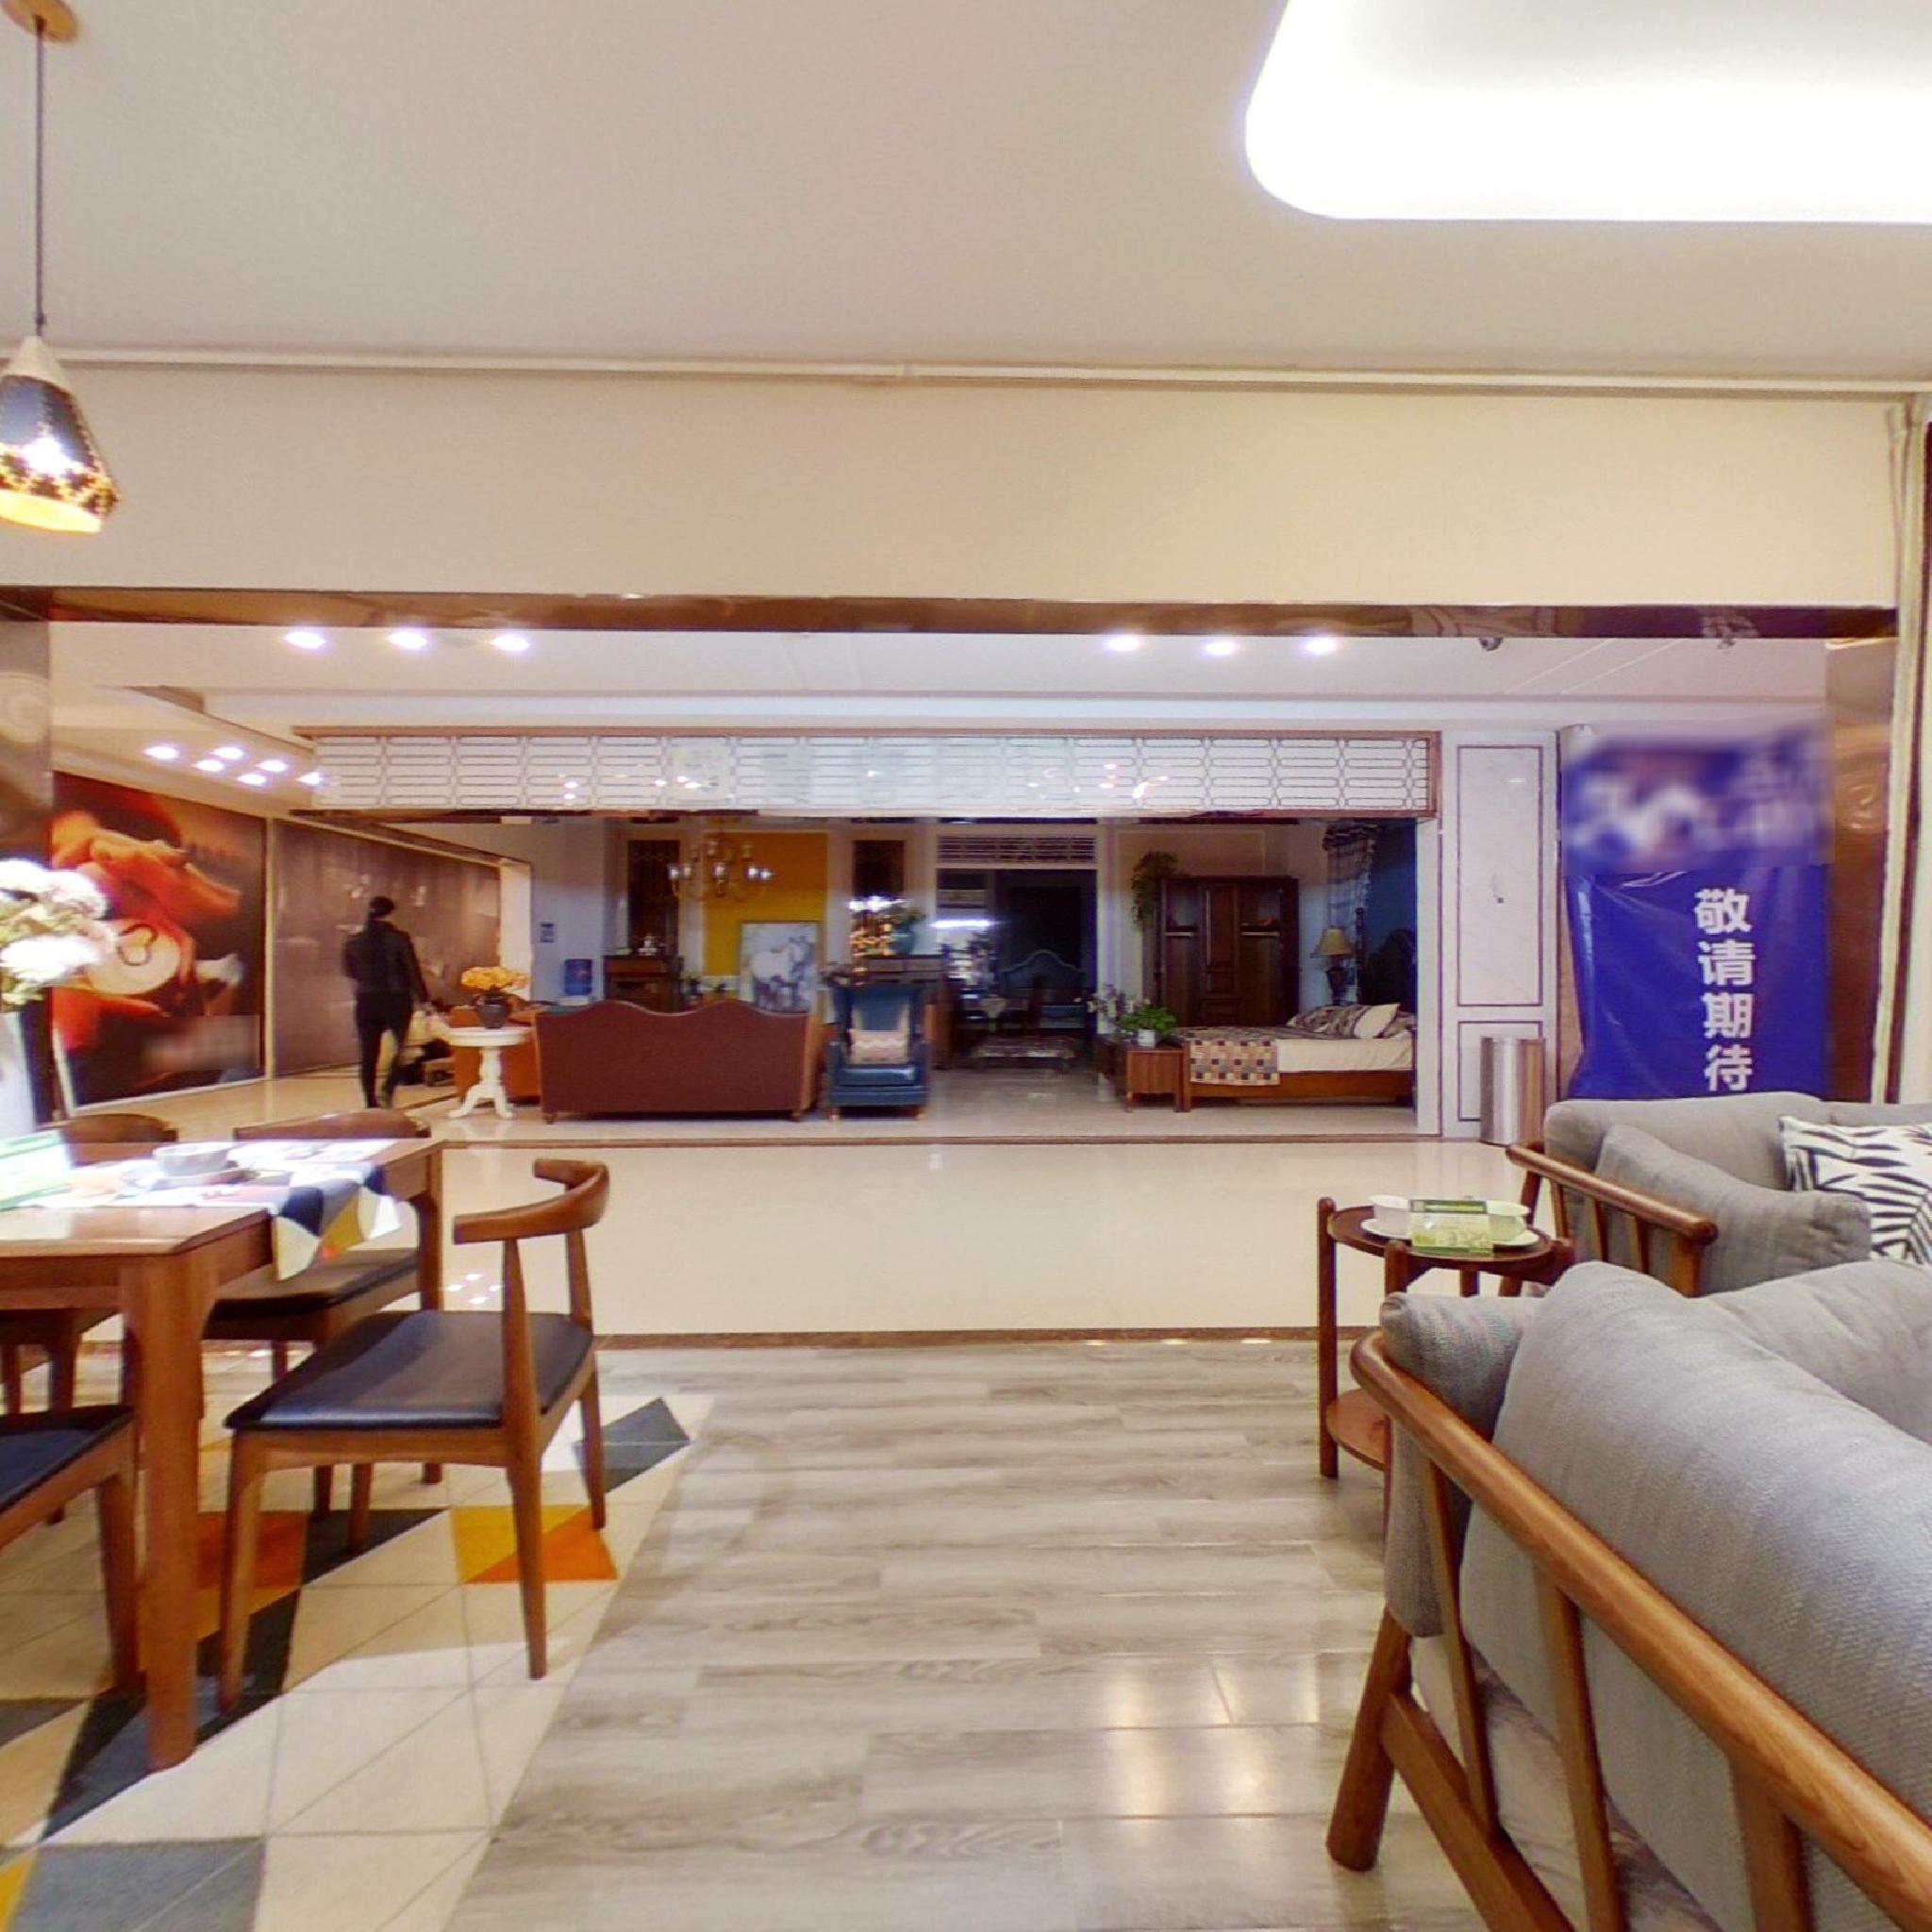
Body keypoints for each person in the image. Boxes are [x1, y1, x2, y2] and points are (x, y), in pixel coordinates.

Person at [341, 896, 428, 1108]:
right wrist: (423, 999)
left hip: (366, 1000)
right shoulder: (399, 939)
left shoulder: (353, 941)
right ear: (391, 914)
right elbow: (411, 971)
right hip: (396, 999)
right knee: (401, 1049)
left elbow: (350, 972)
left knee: (368, 1053)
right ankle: (388, 1087)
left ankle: (369, 1101)